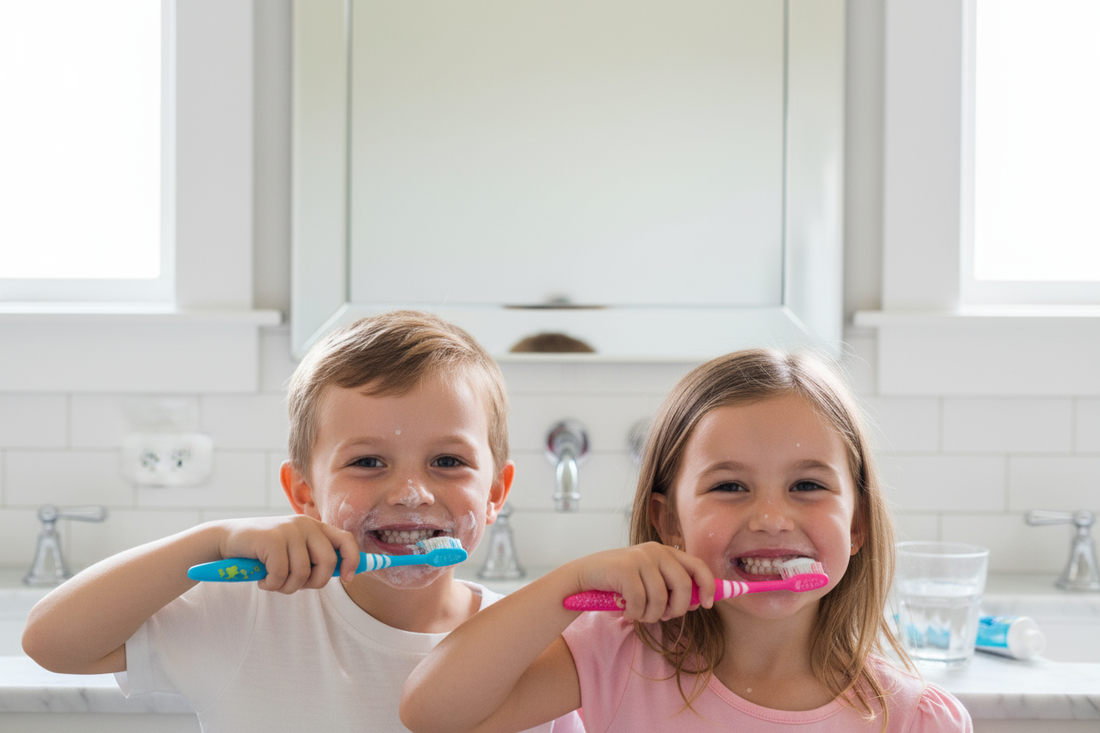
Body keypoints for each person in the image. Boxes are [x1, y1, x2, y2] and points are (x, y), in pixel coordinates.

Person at [22, 310, 582, 733]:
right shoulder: (250, 613)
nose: (410, 493)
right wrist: (214, 539)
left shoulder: (536, 650)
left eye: (448, 462)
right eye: (368, 462)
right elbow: (52, 642)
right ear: (304, 493)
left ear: (496, 492)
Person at [400, 348, 973, 732]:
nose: (771, 518)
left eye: (807, 486)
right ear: (668, 521)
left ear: (857, 525)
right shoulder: (618, 657)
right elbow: (431, 712)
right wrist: (573, 581)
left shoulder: (912, 720)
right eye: (729, 486)